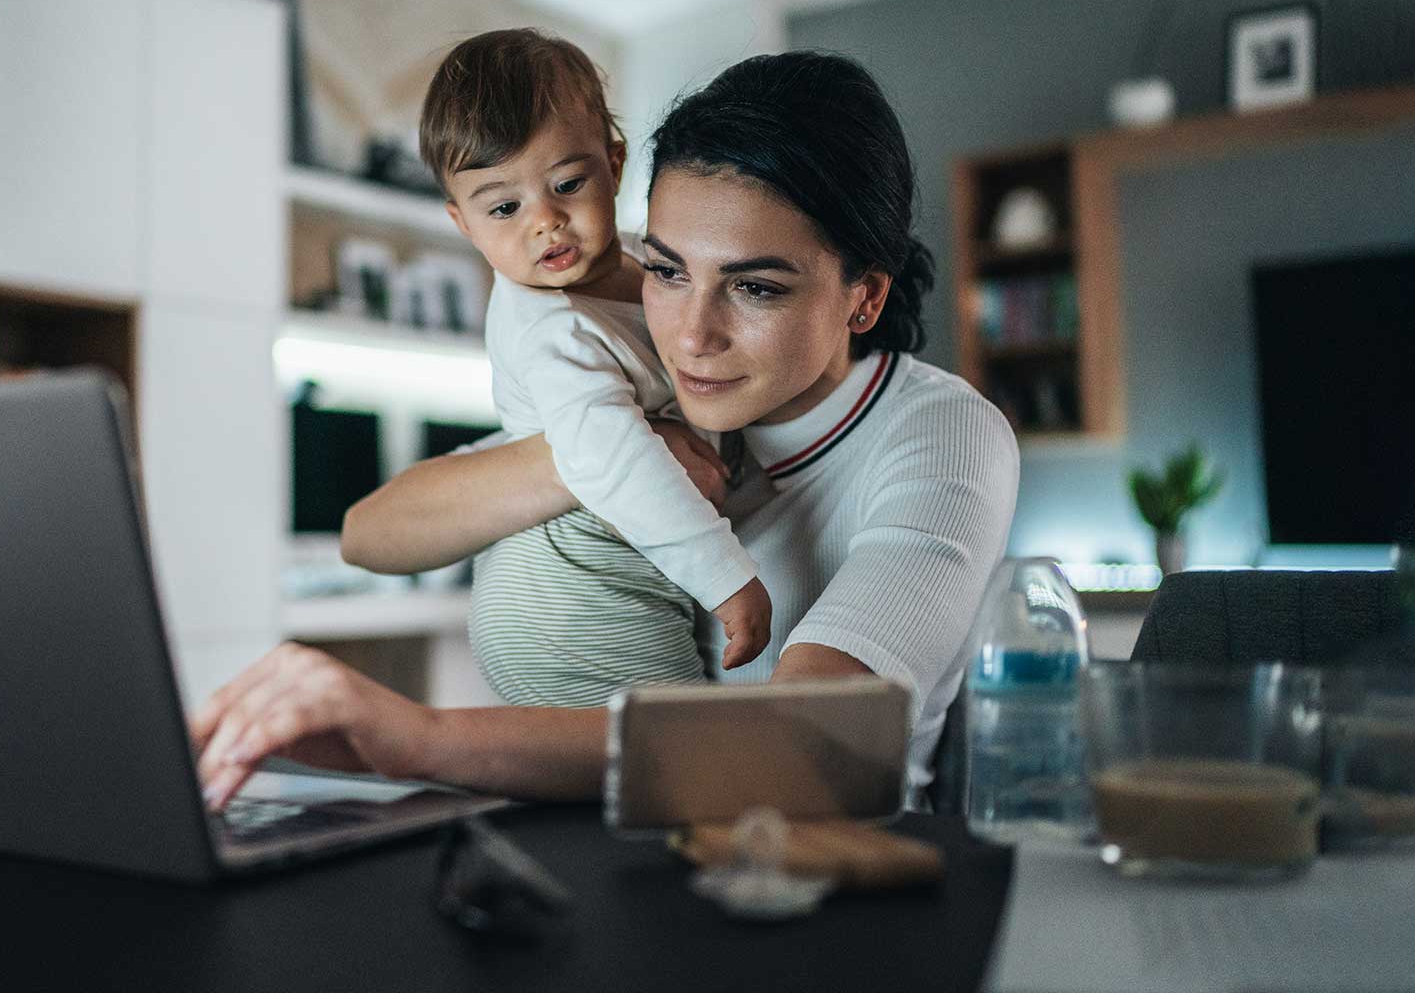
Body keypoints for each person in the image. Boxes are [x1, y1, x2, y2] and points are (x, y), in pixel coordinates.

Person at [193, 51, 1019, 812]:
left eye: (756, 288)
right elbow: (369, 535)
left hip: (813, 884)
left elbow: (807, 742)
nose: (691, 335)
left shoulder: (943, 437)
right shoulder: (633, 393)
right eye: (665, 270)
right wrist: (593, 459)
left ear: (863, 298)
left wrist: (418, 739)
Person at [416, 28, 770, 709]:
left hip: (617, 571)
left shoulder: (650, 263)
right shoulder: (551, 327)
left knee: (650, 782)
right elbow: (614, 460)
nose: (546, 222)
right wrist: (727, 578)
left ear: (615, 164)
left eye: (567, 184)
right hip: (575, 596)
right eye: (504, 207)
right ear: (464, 223)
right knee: (680, 759)